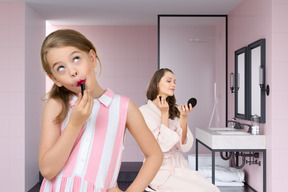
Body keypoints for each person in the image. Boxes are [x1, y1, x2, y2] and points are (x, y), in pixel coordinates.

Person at [38, 29, 163, 192]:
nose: (72, 71)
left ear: (92, 58)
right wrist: (75, 123)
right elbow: (47, 170)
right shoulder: (56, 105)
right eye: (61, 68)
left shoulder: (123, 107)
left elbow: (155, 155)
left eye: (76, 59)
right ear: (55, 79)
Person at [139, 68, 220, 192]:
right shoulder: (144, 112)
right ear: (156, 84)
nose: (173, 85)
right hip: (160, 170)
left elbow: (183, 146)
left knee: (213, 189)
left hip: (179, 166)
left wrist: (184, 118)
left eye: (175, 82)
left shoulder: (175, 109)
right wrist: (164, 114)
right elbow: (162, 146)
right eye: (169, 81)